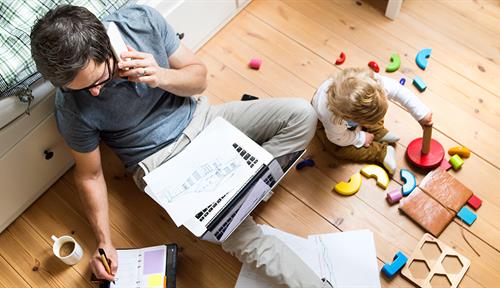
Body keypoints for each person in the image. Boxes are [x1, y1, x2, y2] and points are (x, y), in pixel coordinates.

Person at [31, 4, 331, 287]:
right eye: (81, 89)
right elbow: (90, 175)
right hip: (161, 165)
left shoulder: (141, 21)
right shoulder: (70, 106)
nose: (94, 92)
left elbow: (198, 79)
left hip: (204, 119)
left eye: (98, 79)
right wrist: (104, 241)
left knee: (302, 114)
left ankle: (240, 196)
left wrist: (160, 76)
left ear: (106, 45)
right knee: (241, 235)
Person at [312, 67, 432, 174]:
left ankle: (377, 130)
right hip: (329, 127)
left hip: (354, 114)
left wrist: (421, 113)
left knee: (375, 110)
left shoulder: (374, 85)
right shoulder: (332, 118)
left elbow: (399, 90)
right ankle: (380, 153)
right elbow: (338, 138)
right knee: (336, 148)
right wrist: (360, 138)